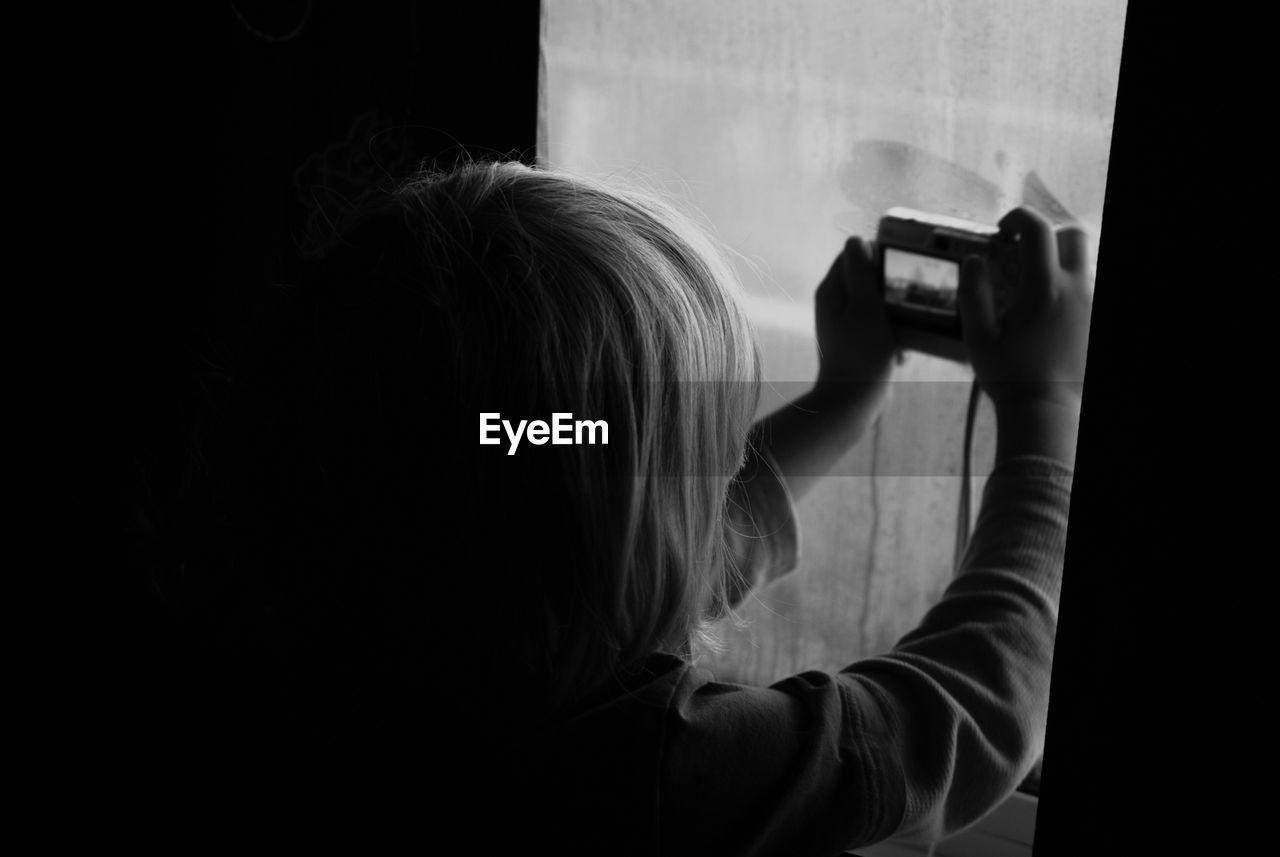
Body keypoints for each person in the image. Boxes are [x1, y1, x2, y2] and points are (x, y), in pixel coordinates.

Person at [165, 160, 1088, 853]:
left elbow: (571, 470)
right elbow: (956, 716)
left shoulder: (330, 652)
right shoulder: (649, 768)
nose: (730, 475)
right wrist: (1044, 407)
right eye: (718, 470)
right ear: (586, 555)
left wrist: (843, 397)